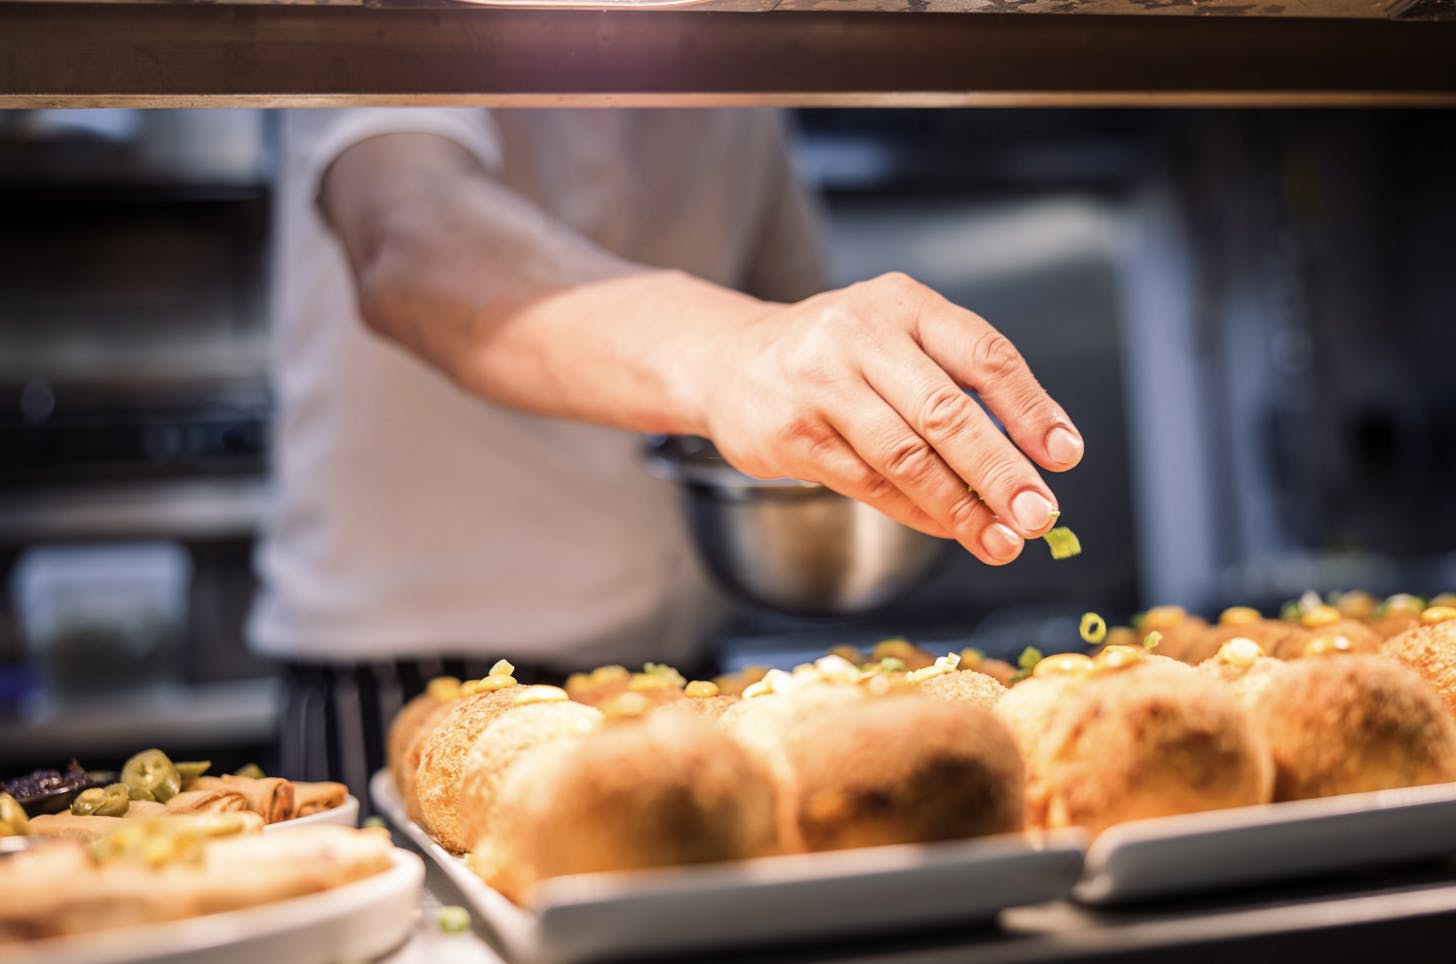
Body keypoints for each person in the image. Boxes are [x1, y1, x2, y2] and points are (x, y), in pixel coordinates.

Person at [252, 108, 1084, 798]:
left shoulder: (734, 54)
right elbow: (410, 238)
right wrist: (739, 349)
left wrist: (870, 398)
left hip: (679, 667)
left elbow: (794, 308)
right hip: (411, 664)